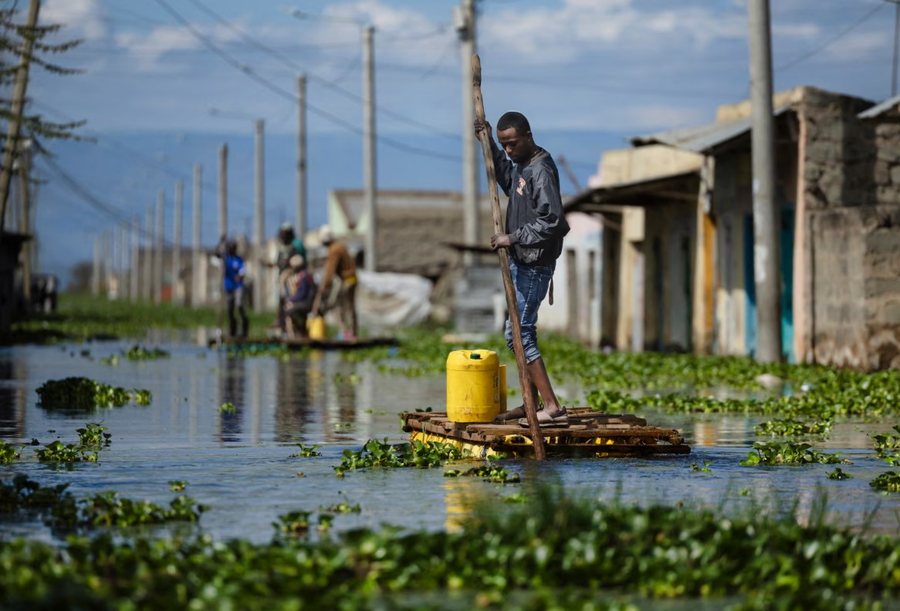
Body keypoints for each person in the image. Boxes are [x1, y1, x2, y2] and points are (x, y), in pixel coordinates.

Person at [475, 111, 570, 427]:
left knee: (520, 333)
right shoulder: (519, 166)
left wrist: (512, 237)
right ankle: (530, 402)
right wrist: (486, 141)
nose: (508, 151)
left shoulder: (541, 170)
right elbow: (504, 176)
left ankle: (552, 406)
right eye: (504, 145)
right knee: (514, 332)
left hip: (535, 263)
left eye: (512, 144)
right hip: (521, 260)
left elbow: (552, 222)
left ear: (528, 135)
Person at [312, 225, 358, 340]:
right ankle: (352, 333)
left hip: (347, 281)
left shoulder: (334, 250)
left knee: (339, 307)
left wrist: (324, 285)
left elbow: (330, 271)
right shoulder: (340, 246)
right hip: (352, 279)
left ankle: (346, 333)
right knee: (349, 307)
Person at [270, 222, 306, 335]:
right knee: (281, 302)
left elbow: (298, 264)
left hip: (290, 280)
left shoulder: (295, 247)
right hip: (282, 280)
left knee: (289, 301)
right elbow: (278, 263)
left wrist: (287, 274)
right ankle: (282, 326)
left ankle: (292, 330)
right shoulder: (282, 249)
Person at [281, 254, 316, 339]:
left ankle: (294, 334)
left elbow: (302, 294)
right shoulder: (306, 275)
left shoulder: (304, 277)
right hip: (307, 302)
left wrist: (290, 300)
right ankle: (298, 332)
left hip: (306, 303)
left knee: (288, 310)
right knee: (290, 308)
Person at [219, 238, 249, 339]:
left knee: (239, 304)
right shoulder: (225, 259)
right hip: (229, 287)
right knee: (230, 310)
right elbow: (216, 255)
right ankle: (233, 331)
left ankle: (245, 326)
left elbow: (243, 270)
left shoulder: (239, 259)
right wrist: (221, 243)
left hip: (238, 287)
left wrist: (240, 276)